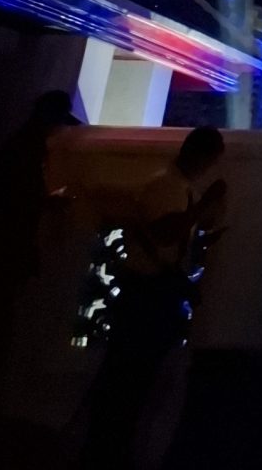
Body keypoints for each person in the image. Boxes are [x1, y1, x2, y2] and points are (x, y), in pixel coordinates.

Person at [83, 125, 227, 470]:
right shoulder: (164, 186)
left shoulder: (179, 187)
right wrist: (202, 207)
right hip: (144, 294)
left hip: (153, 293)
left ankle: (111, 451)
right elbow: (164, 234)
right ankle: (103, 453)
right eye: (209, 160)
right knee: (127, 380)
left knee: (135, 381)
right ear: (198, 155)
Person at [0, 90, 78, 424]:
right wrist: (49, 202)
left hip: (2, 248)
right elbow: (17, 200)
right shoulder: (27, 149)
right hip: (5, 249)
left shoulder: (20, 145)